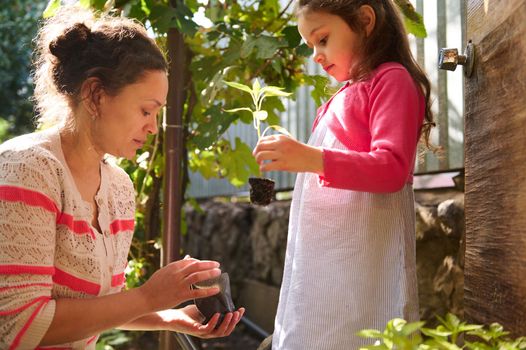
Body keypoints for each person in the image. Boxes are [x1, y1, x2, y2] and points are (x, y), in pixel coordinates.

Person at [0, 6, 244, 349]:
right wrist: (148, 297)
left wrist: (169, 317)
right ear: (96, 94)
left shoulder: (118, 188)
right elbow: (18, 325)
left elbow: (99, 308)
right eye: (146, 110)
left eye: (157, 113)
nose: (152, 126)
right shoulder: (27, 169)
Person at [253, 0, 435, 349]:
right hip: (324, 261)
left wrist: (310, 158)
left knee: (363, 330)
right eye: (310, 47)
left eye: (322, 39)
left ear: (365, 21)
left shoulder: (390, 80)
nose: (316, 56)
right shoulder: (343, 95)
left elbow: (391, 169)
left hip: (364, 260)